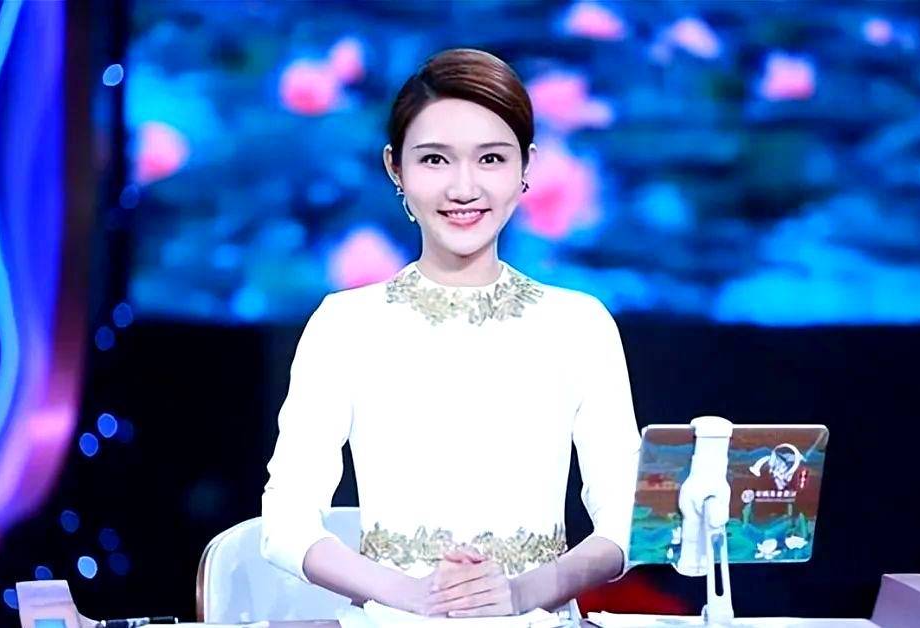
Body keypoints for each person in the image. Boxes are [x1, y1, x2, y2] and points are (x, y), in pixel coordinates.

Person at [261, 48, 640, 619]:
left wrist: (522, 592)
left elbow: (626, 519)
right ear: (396, 168)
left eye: (491, 159)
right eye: (435, 160)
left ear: (526, 167)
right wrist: (413, 595)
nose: (464, 188)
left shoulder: (579, 325)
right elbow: (285, 522)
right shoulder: (345, 325)